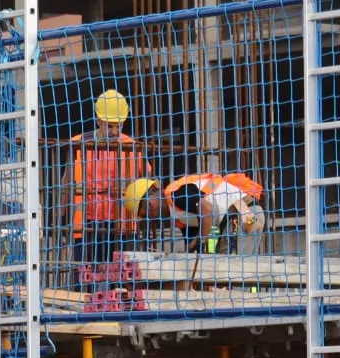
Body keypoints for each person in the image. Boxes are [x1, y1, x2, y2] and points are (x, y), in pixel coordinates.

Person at [69, 89, 154, 290]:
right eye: (110, 126)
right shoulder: (79, 144)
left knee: (121, 279)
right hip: (89, 224)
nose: (115, 131)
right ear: (99, 120)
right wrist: (61, 216)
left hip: (121, 225)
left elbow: (148, 181)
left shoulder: (132, 147)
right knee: (87, 277)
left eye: (119, 125)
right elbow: (66, 181)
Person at [164, 171, 267, 255]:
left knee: (232, 269)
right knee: (243, 267)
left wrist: (201, 242)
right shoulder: (179, 216)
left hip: (242, 214)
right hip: (251, 214)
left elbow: (207, 210)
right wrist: (190, 250)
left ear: (150, 204)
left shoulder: (177, 194)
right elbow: (192, 242)